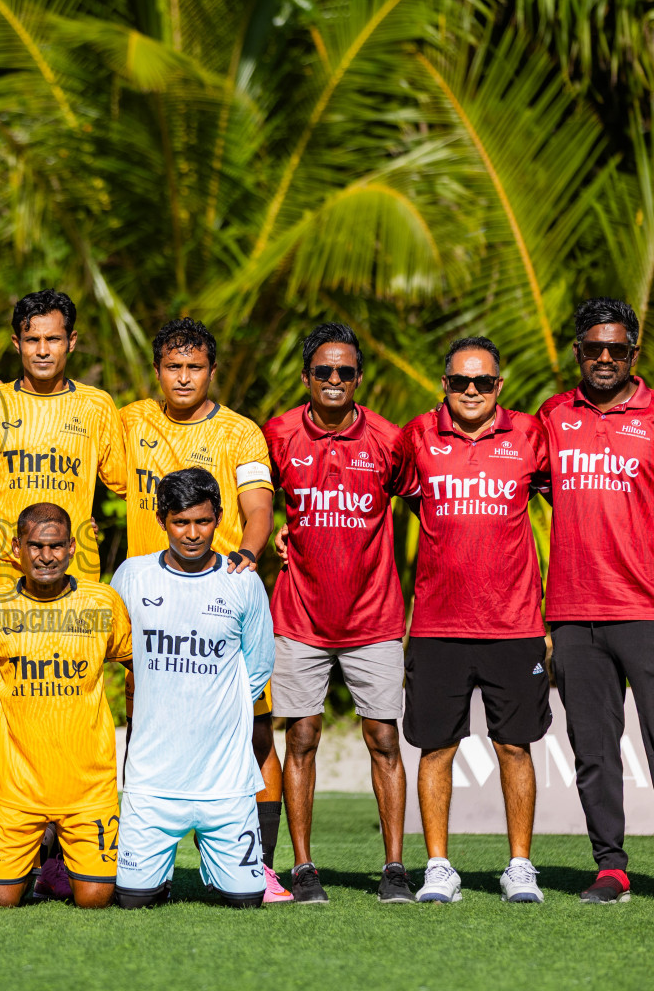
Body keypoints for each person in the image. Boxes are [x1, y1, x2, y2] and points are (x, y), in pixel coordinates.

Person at [539, 298, 654, 907]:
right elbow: (509, 486)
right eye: (593, 348)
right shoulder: (553, 415)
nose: (605, 358)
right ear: (578, 351)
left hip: (649, 608)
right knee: (593, 749)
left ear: (633, 353)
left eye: (616, 349)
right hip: (573, 611)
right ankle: (610, 867)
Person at [119, 317, 286, 902]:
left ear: (211, 372)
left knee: (258, 734)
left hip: (219, 598)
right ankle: (144, 855)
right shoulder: (130, 421)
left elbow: (258, 506)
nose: (183, 377)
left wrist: (246, 553)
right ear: (158, 370)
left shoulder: (240, 434)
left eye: (194, 367)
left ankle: (259, 862)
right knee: (144, 729)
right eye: (173, 366)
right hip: (152, 604)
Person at [395, 337, 551, 904]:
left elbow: (576, 503)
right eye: (460, 381)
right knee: (436, 748)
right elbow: (374, 495)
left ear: (499, 387)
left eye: (482, 382)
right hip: (437, 624)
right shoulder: (417, 435)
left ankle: (520, 866)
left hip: (513, 624)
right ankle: (439, 866)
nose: (470, 391)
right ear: (444, 383)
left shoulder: (531, 435)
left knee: (515, 747)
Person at [264, 322, 411, 904]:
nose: (333, 380)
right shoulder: (277, 433)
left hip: (373, 616)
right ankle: (303, 869)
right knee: (301, 735)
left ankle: (395, 867)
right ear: (306, 377)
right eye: (323, 371)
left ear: (357, 378)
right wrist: (275, 533)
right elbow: (253, 503)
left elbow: (427, 503)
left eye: (344, 372)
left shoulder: (389, 439)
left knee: (383, 737)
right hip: (299, 615)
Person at [110, 468, 274, 909]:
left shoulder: (243, 581)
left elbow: (257, 668)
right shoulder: (131, 576)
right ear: (163, 520)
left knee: (246, 901)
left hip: (225, 782)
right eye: (181, 522)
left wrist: (214, 705)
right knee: (133, 901)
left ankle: (221, 868)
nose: (192, 533)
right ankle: (155, 876)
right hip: (151, 781)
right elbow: (116, 647)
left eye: (202, 521)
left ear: (219, 518)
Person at [0, 500, 132, 908]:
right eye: (36, 547)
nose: (47, 556)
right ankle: (34, 865)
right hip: (16, 786)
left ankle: (58, 868)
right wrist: (5, 700)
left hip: (88, 787)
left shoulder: (102, 603)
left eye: (57, 546)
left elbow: (136, 664)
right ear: (16, 548)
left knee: (95, 900)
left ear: (73, 547)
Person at [0, 289, 126, 599]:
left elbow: (127, 484)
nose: (43, 350)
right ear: (18, 344)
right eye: (32, 340)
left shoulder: (96, 405)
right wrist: (7, 508)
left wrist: (79, 513)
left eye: (53, 339)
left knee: (74, 648)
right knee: (3, 647)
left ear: (71, 341)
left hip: (75, 562)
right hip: (5, 561)